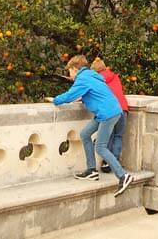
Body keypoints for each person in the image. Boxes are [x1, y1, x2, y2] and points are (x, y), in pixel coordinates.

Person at [52, 55, 134, 196]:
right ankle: (92, 170)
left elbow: (69, 96)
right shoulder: (92, 76)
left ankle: (123, 176)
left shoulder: (83, 78)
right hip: (111, 111)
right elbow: (90, 94)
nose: (69, 75)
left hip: (107, 114)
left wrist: (55, 100)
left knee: (100, 147)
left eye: (69, 71)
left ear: (74, 69)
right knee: (85, 134)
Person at [90, 57, 129, 173]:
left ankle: (107, 162)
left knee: (110, 135)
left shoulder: (97, 80)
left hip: (111, 110)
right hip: (124, 109)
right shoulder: (114, 76)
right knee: (118, 136)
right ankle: (114, 162)